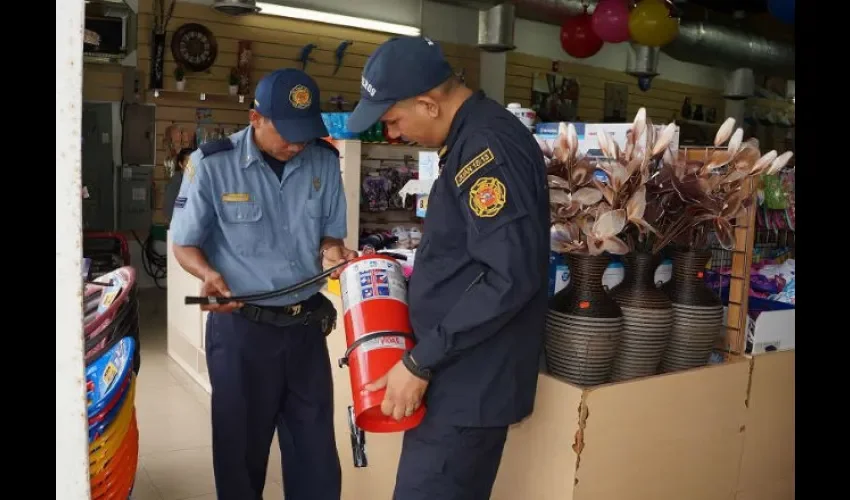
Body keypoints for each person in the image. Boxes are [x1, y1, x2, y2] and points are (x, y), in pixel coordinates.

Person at [346, 36, 550, 500]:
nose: (392, 134)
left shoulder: (485, 149)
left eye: (393, 120)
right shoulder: (468, 139)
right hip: (452, 373)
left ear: (428, 104)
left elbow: (509, 276)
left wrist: (421, 360)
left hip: (467, 383)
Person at [169, 69, 357, 500]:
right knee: (240, 454)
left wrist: (332, 253)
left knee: (315, 455)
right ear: (255, 118)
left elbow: (330, 235)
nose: (297, 145)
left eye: (305, 134)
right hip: (242, 331)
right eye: (288, 133)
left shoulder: (324, 161)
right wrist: (207, 274)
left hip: (306, 329)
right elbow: (183, 243)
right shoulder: (212, 165)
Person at [163, 147, 193, 225]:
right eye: (188, 162)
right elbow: (169, 211)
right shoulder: (176, 183)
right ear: (180, 164)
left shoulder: (193, 180)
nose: (192, 165)